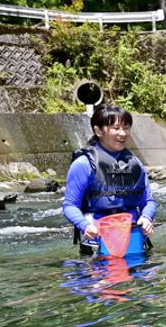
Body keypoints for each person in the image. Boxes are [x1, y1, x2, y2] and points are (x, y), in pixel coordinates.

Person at [63, 104, 156, 255]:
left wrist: (146, 218)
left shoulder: (135, 163)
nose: (123, 133)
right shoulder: (83, 164)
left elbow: (149, 201)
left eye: (126, 128)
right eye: (116, 128)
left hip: (134, 238)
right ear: (98, 131)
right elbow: (69, 205)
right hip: (97, 240)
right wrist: (84, 226)